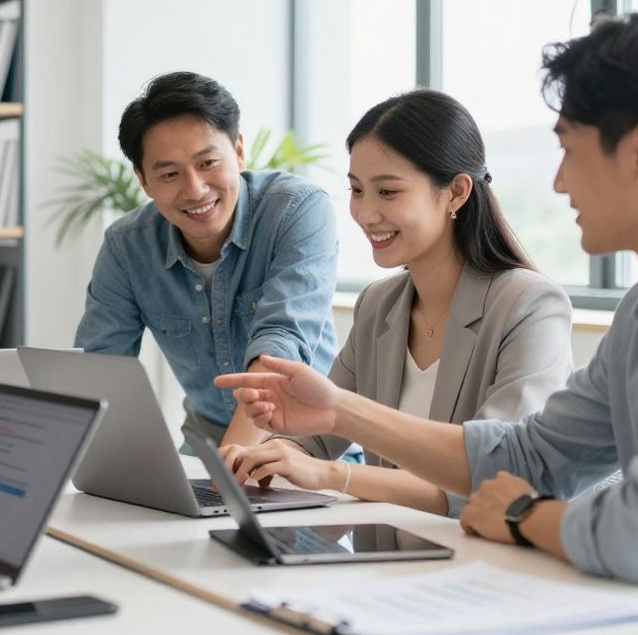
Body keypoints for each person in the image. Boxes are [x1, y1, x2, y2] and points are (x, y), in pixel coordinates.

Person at [216, 8, 638, 613]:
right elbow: (526, 458)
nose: (559, 183)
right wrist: (338, 409)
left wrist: (524, 515)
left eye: (569, 150)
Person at [222, 89, 572, 516]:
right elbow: (317, 438)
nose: (366, 213)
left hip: (479, 564)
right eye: (356, 190)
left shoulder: (529, 306)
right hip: (381, 564)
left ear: (457, 192)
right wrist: (263, 454)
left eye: (387, 192)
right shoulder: (378, 304)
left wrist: (336, 476)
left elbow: (498, 477)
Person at [74, 71, 338, 447]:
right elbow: (101, 369)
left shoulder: (298, 210)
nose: (195, 190)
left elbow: (279, 347)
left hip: (311, 447)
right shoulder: (126, 246)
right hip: (205, 448)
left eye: (208, 163)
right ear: (143, 179)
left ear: (240, 151)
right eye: (169, 173)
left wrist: (229, 474)